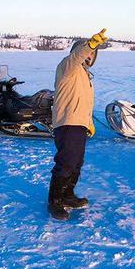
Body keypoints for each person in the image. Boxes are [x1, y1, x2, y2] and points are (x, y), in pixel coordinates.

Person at [48, 28, 109, 221]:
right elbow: (76, 56)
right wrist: (89, 44)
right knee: (66, 163)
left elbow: (84, 103)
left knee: (76, 163)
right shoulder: (68, 67)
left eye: (93, 53)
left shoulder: (84, 75)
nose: (90, 55)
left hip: (79, 124)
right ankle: (55, 201)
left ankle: (67, 195)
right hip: (67, 122)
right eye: (89, 52)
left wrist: (88, 123)